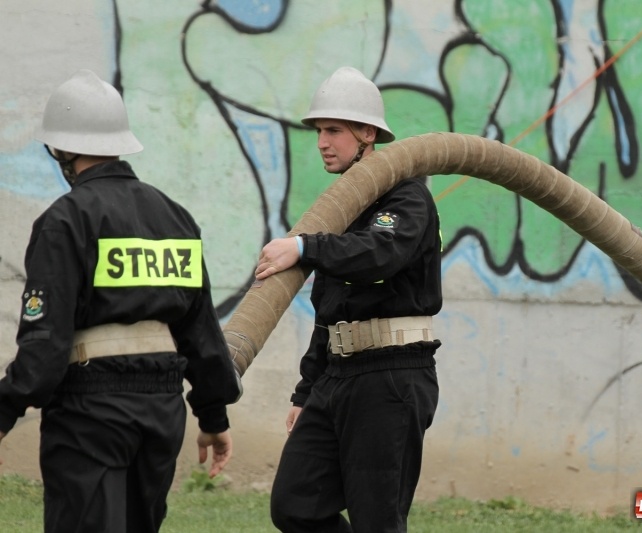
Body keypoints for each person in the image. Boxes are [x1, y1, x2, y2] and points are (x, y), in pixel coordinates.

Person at [0, 69, 240, 533]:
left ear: (61, 149)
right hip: (162, 411)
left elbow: (46, 342)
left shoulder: (65, 220)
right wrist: (212, 415)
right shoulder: (175, 217)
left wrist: (6, 406)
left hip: (90, 409)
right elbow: (201, 331)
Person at [255, 66, 443, 532]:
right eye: (320, 131)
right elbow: (331, 310)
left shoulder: (407, 197)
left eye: (334, 130)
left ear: (367, 133)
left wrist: (304, 246)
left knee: (377, 521)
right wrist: (306, 390)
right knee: (295, 506)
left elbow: (380, 254)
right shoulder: (344, 205)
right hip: (336, 377)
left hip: (392, 376)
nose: (322, 141)